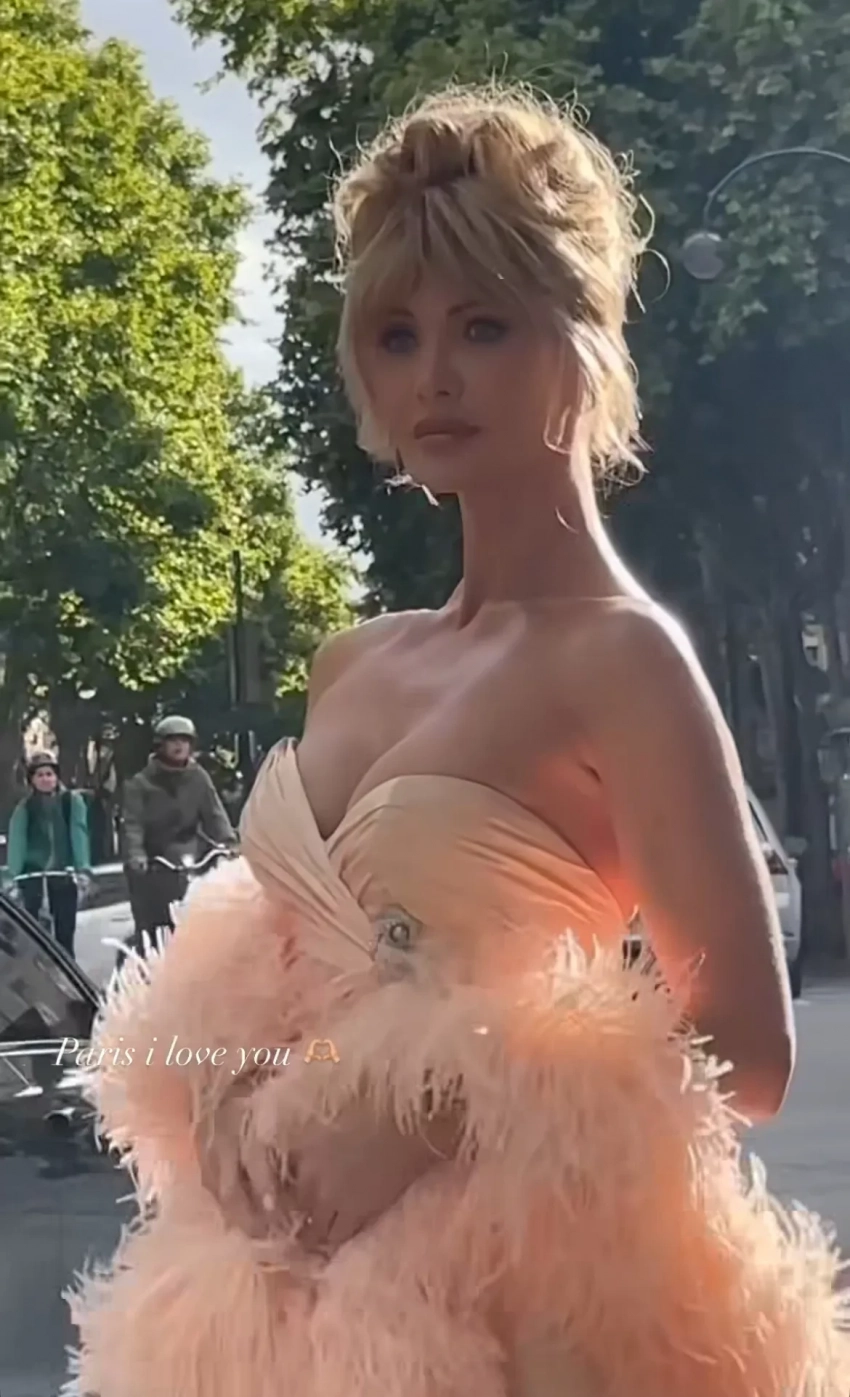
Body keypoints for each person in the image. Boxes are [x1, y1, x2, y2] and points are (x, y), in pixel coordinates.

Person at [65, 86, 850, 1397]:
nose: (432, 373)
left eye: (481, 325)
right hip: (266, 1313)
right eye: (397, 333)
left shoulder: (620, 658)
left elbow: (744, 1052)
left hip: (521, 1305)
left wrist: (436, 1108)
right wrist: (232, 1084)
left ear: (574, 338)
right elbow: (289, 975)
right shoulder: (351, 661)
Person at [120, 715, 237, 949]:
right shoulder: (140, 783)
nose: (179, 746)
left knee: (204, 916)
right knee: (151, 924)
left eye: (184, 740)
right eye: (172, 740)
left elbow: (214, 813)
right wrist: (136, 856)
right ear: (160, 745)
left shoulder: (198, 777)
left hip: (190, 855)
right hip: (153, 863)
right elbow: (132, 825)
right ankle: (148, 958)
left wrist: (229, 844)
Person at [5, 750, 91, 957]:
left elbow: (78, 833)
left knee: (65, 933)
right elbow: (18, 840)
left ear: (57, 776)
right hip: (33, 876)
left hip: (63, 874)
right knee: (36, 935)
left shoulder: (71, 802)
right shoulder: (25, 807)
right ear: (32, 780)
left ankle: (67, 969)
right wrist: (13, 875)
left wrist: (82, 868)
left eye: (49, 774)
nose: (45, 779)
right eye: (40, 775)